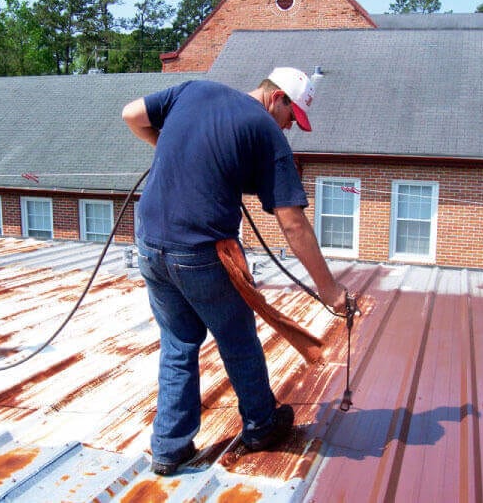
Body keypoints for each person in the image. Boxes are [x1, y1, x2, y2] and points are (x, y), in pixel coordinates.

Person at [122, 67, 347, 476]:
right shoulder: (265, 129)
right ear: (277, 99)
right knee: (237, 335)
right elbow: (292, 221)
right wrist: (329, 290)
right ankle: (261, 424)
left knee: (178, 340)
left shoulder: (194, 90)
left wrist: (177, 158)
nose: (290, 127)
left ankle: (170, 447)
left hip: (149, 243)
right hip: (200, 249)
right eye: (292, 117)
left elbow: (131, 114)